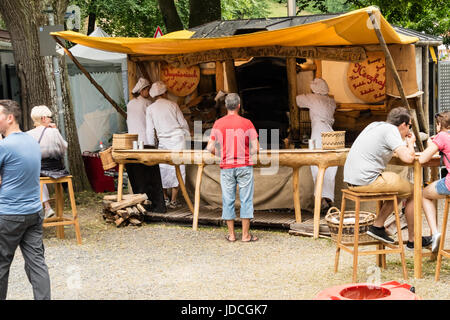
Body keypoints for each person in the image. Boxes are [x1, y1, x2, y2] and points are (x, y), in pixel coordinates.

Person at [344, 107, 434, 250]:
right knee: (415, 191)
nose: (409, 131)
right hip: (366, 180)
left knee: (401, 187)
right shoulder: (391, 131)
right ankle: (413, 239)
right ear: (403, 125)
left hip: (353, 179)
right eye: (409, 126)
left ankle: (378, 226)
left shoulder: (375, 125)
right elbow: (408, 158)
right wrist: (410, 144)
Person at [0, 99, 51, 300]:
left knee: (2, 264)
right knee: (37, 263)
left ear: (9, 118)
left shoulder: (5, 146)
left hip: (9, 214)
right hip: (33, 211)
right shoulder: (32, 141)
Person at [207, 93, 259, 242]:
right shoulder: (247, 123)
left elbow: (209, 147)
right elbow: (257, 148)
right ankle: (245, 235)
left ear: (225, 106)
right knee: (246, 200)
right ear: (238, 106)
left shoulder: (218, 123)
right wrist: (246, 152)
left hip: (226, 166)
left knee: (228, 200)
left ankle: (231, 235)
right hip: (244, 166)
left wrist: (221, 154)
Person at [146, 81, 190, 209]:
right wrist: (187, 135)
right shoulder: (173, 105)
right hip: (177, 140)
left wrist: (150, 146)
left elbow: (150, 130)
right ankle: (174, 200)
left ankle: (165, 198)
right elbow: (183, 123)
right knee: (178, 168)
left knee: (163, 169)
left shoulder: (150, 109)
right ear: (165, 93)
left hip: (163, 141)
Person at [296, 78, 338, 213]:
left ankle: (320, 200)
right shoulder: (331, 101)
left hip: (317, 133)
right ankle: (328, 199)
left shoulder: (312, 98)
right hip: (330, 133)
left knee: (316, 165)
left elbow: (297, 100)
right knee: (330, 167)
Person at [126, 77, 166, 213]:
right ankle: (154, 202)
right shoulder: (148, 104)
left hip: (132, 143)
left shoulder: (130, 104)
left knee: (138, 174)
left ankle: (139, 200)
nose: (149, 92)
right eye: (147, 89)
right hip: (146, 142)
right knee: (150, 174)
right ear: (142, 90)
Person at [26, 105, 67, 219]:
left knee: (36, 177)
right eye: (49, 117)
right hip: (58, 170)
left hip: (39, 170)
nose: (51, 120)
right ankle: (48, 208)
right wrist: (55, 130)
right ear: (44, 118)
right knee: (37, 176)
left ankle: (47, 207)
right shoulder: (53, 132)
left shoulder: (28, 134)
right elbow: (64, 148)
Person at [417, 112, 450, 252]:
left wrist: (432, 143)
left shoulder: (442, 136)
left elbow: (422, 159)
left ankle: (435, 233)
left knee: (424, 194)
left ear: (439, 125)